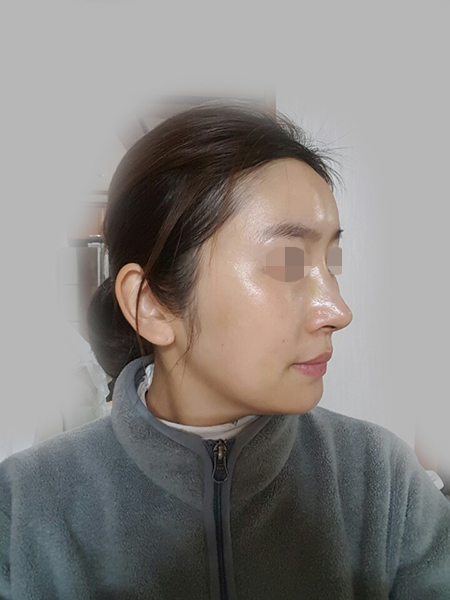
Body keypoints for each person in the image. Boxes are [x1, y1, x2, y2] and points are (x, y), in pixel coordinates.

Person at [0, 100, 449, 599]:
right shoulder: (23, 508)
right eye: (287, 262)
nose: (338, 310)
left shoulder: (382, 482)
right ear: (151, 305)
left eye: (331, 261)